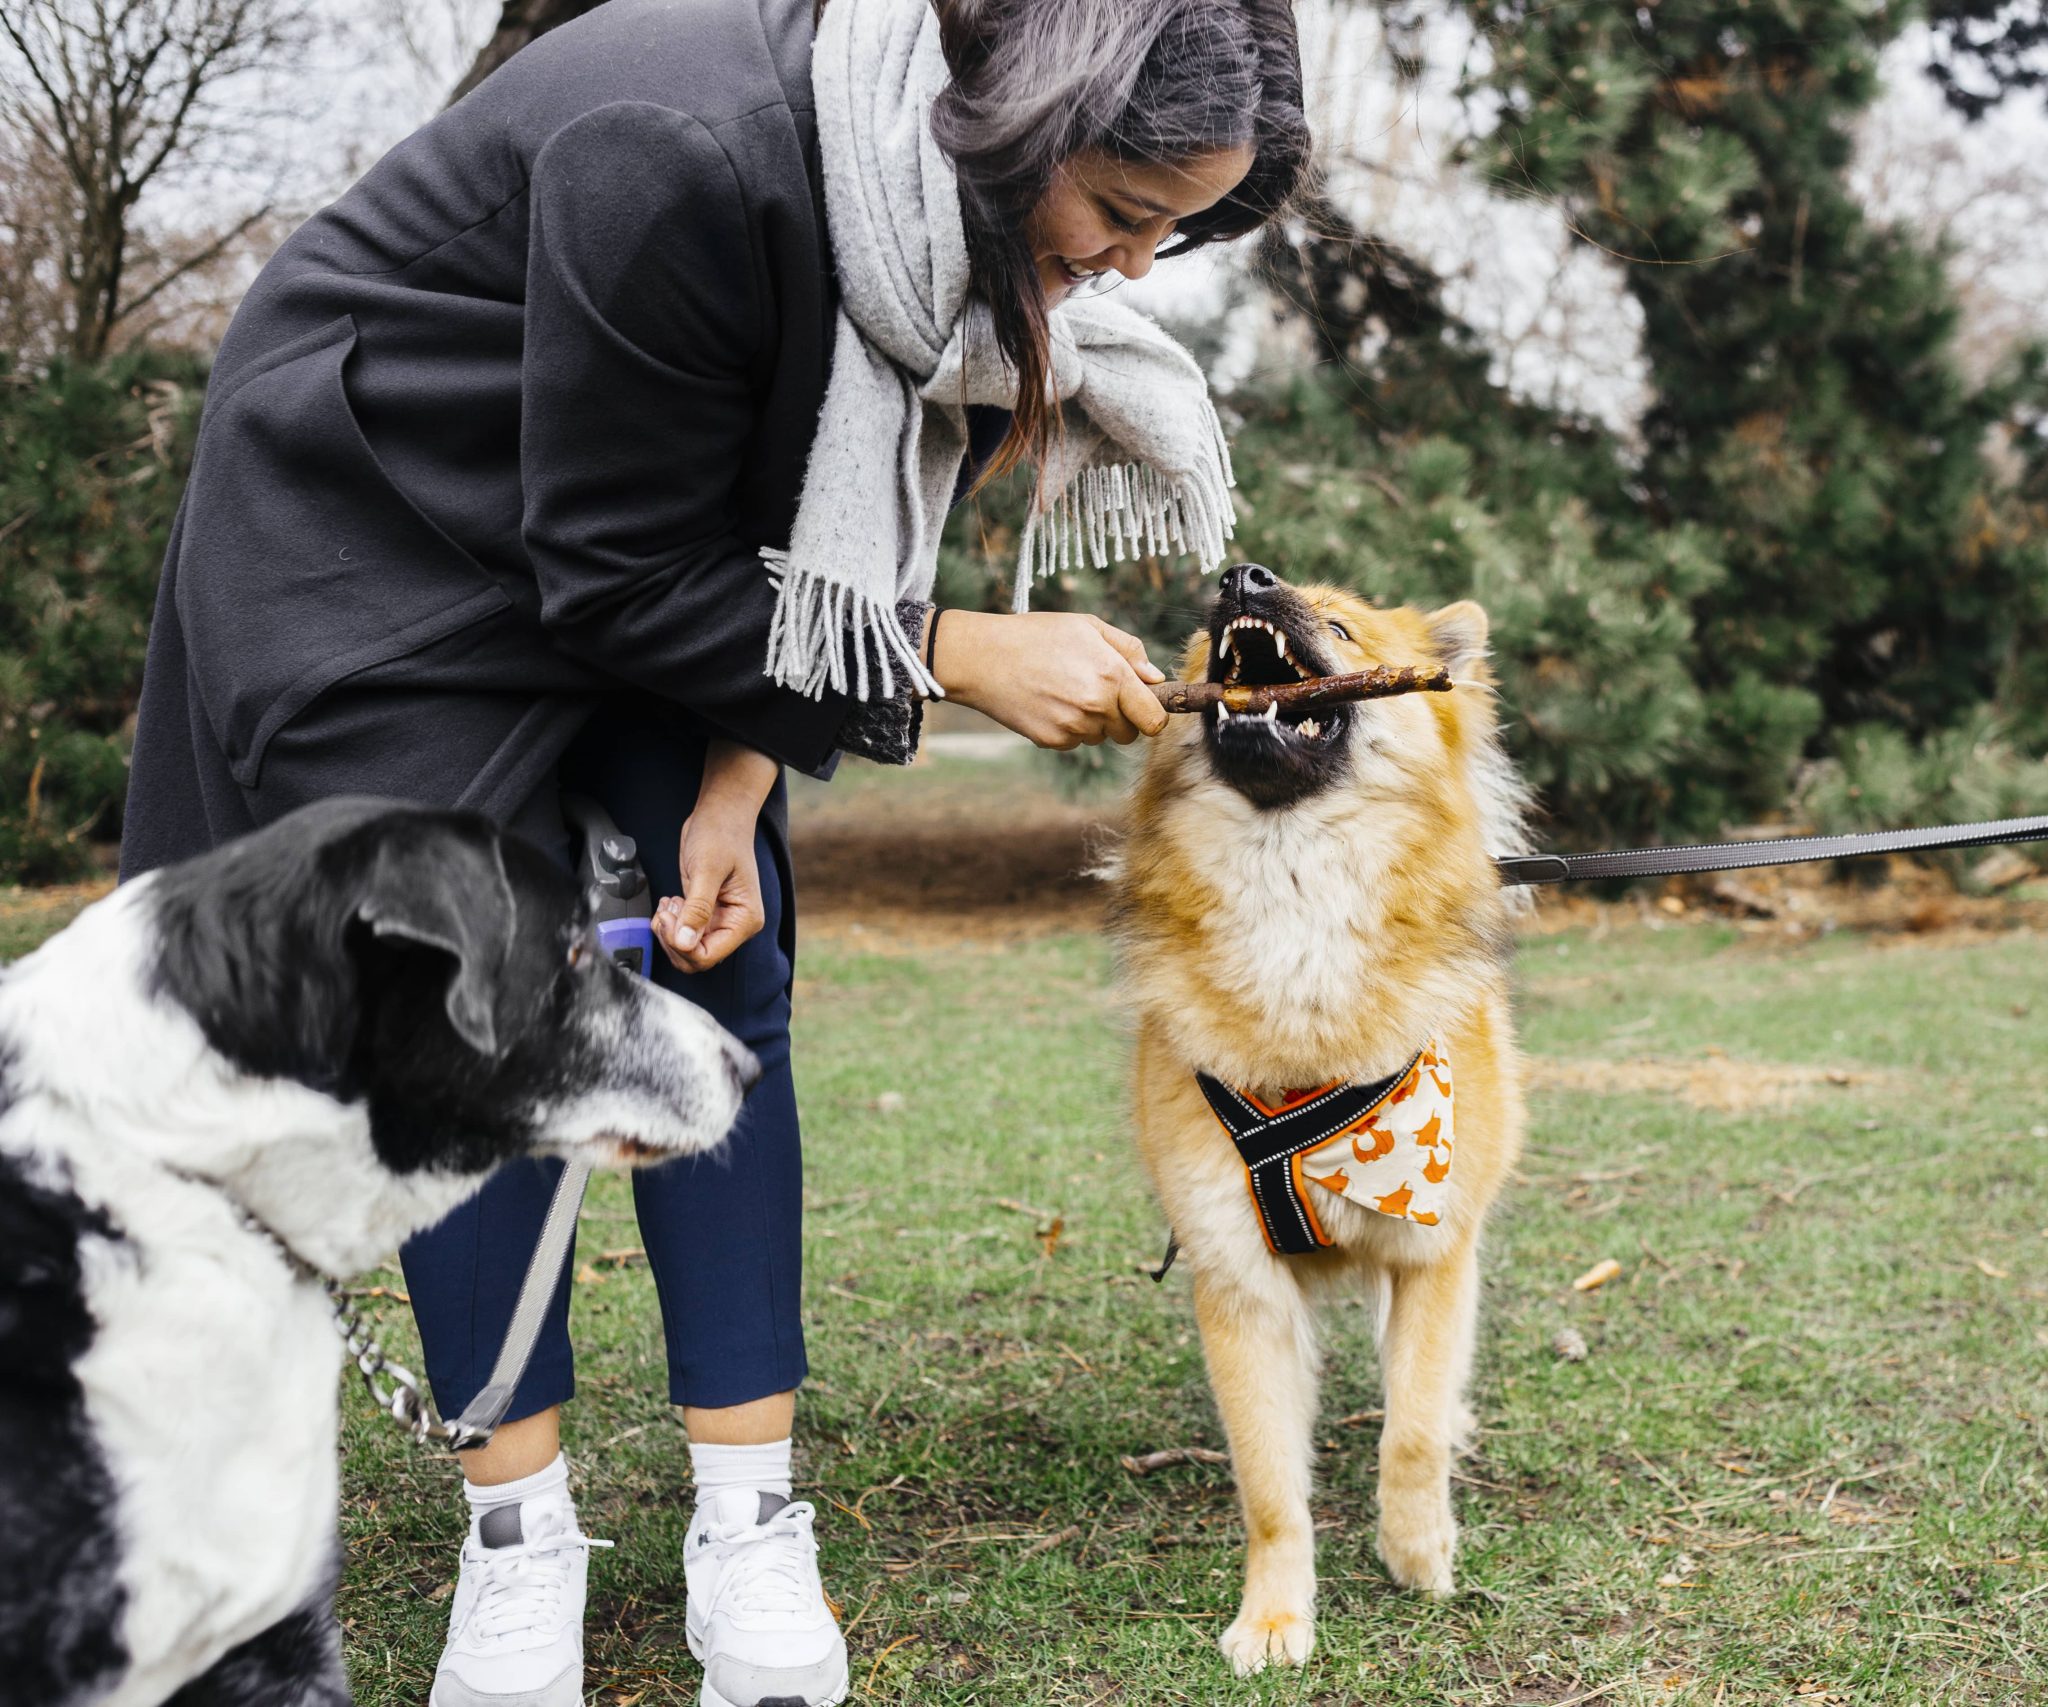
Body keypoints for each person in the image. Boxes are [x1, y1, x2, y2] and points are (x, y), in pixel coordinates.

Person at [117, 0, 1307, 1701]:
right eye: (1121, 217)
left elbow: (840, 514)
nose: (1126, 270)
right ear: (1031, 120)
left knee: (712, 966)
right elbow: (619, 568)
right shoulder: (676, 148)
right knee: (475, 1012)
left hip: (651, 540)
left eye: (1172, 233)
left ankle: (747, 1522)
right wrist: (956, 655)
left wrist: (739, 789)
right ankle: (514, 1541)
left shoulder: (951, 225)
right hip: (381, 516)